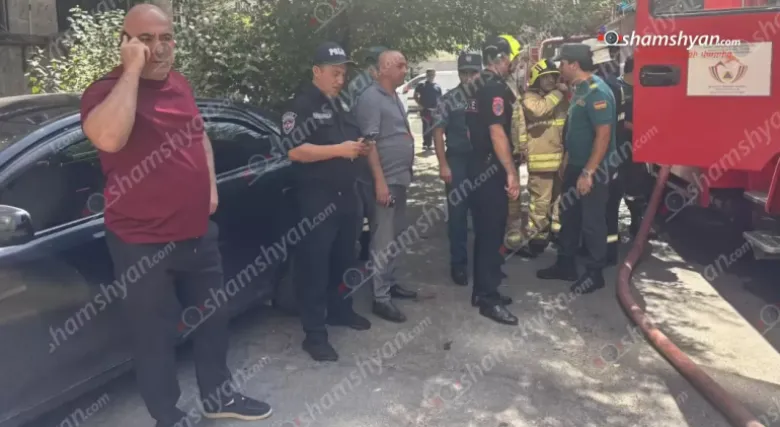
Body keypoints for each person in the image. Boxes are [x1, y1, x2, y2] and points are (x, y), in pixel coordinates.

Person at [79, 5, 271, 426]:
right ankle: (167, 415)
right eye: (146, 39)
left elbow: (198, 134)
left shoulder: (179, 84)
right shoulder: (105, 91)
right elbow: (109, 137)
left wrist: (210, 187)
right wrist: (132, 70)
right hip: (140, 240)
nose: (159, 47)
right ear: (125, 43)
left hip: (196, 231)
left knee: (214, 317)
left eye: (165, 38)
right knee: (154, 335)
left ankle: (218, 396)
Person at [283, 42, 373, 361]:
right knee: (314, 267)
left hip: (347, 196)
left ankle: (340, 311)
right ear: (316, 72)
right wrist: (340, 150)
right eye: (335, 73)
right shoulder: (301, 106)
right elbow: (295, 151)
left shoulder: (340, 103)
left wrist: (358, 147)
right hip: (317, 201)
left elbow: (346, 142)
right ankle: (315, 334)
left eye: (343, 74)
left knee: (344, 259)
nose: (340, 80)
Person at [536, 43, 617, 294]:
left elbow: (603, 135)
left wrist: (588, 172)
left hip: (593, 170)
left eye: (562, 63)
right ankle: (565, 264)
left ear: (574, 64)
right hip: (575, 165)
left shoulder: (597, 91)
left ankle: (594, 273)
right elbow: (576, 129)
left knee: (592, 222)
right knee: (569, 216)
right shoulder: (579, 89)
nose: (559, 68)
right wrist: (567, 159)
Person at [355, 49, 419, 323]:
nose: (405, 70)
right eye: (400, 66)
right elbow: (368, 143)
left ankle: (389, 283)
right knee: (383, 238)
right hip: (385, 181)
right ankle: (380, 298)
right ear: (383, 69)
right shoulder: (371, 98)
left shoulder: (393, 95)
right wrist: (380, 182)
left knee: (395, 235)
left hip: (399, 178)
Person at [464, 35, 523, 325]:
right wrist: (511, 172)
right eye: (512, 58)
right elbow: (497, 132)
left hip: (476, 165)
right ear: (501, 58)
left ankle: (481, 291)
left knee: (484, 232)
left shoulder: (475, 85)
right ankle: (488, 298)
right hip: (490, 168)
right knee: (491, 233)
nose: (513, 63)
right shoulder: (494, 88)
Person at [506, 58, 568, 256]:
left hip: (561, 160)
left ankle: (556, 233)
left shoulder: (558, 98)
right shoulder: (529, 98)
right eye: (545, 77)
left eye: (553, 77)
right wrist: (559, 92)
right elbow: (539, 110)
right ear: (536, 79)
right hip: (542, 161)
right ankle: (537, 240)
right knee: (540, 203)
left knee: (559, 201)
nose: (550, 80)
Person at [432, 51, 482, 286]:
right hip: (458, 161)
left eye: (473, 72)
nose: (469, 77)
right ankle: (458, 264)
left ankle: (485, 263)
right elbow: (438, 132)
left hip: (482, 161)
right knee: (458, 214)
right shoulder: (449, 99)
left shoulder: (488, 95)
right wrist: (443, 164)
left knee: (484, 214)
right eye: (464, 73)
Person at [584, 38, 624, 264]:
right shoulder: (614, 84)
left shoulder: (601, 87)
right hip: (614, 156)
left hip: (603, 158)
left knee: (601, 210)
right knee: (608, 209)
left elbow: (601, 131)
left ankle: (601, 257)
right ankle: (608, 252)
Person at [351, 46, 389, 261]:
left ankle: (367, 250)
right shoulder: (366, 90)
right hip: (367, 154)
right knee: (372, 210)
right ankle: (369, 252)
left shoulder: (359, 85)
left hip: (365, 154)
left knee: (369, 209)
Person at [616, 55, 648, 237]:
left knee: (636, 187)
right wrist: (631, 126)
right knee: (615, 187)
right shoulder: (617, 88)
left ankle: (637, 223)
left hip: (638, 147)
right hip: (618, 146)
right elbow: (611, 118)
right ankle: (611, 230)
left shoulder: (643, 88)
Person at [414, 69, 443, 150]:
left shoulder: (437, 86)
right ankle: (426, 144)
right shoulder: (421, 85)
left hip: (435, 111)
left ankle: (431, 144)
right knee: (426, 126)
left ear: (434, 75)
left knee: (434, 127)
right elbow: (415, 96)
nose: (431, 76)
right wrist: (420, 105)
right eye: (429, 75)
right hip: (425, 110)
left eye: (432, 74)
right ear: (426, 75)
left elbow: (440, 99)